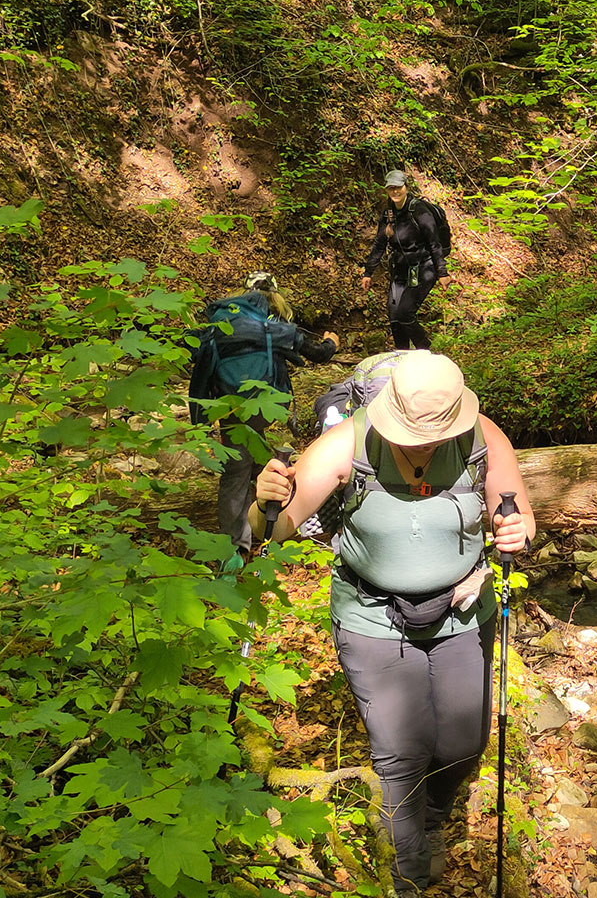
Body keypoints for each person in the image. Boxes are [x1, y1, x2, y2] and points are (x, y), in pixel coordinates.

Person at [255, 350, 535, 894]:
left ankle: (424, 823)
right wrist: (262, 502)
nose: (426, 440)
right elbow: (277, 526)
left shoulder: (484, 438)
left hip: (460, 610)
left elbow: (520, 516)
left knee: (462, 745)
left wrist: (517, 532)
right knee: (401, 752)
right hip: (371, 616)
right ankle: (405, 876)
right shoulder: (348, 443)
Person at [190, 272, 339, 554]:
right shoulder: (277, 328)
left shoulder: (220, 326)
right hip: (266, 403)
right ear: (275, 296)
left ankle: (259, 528)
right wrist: (332, 343)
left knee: (242, 458)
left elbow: (187, 350)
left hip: (228, 402)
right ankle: (238, 548)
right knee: (240, 467)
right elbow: (319, 354)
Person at [360, 170, 453, 350]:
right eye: (391, 188)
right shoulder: (389, 215)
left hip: (425, 267)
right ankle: (402, 355)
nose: (395, 192)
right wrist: (368, 272)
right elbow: (379, 244)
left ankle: (425, 351)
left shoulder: (419, 211)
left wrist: (442, 273)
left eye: (398, 188)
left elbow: (434, 243)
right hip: (401, 270)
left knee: (405, 313)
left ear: (406, 187)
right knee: (395, 315)